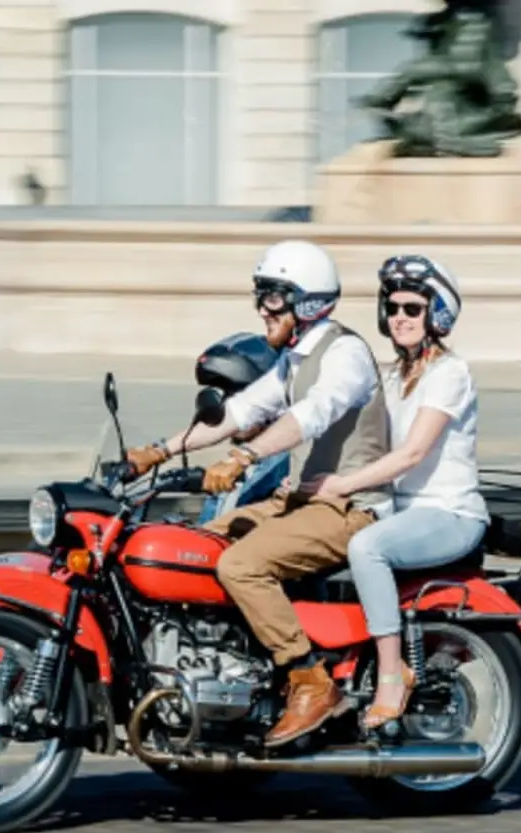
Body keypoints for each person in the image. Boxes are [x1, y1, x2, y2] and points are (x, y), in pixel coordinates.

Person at [124, 239, 393, 748]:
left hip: (350, 506)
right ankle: (229, 674)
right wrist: (156, 451)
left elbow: (309, 415)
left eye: (272, 297)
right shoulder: (293, 360)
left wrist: (243, 458)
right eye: (260, 296)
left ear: (306, 302)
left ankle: (308, 680)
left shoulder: (346, 354)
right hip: (300, 502)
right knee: (195, 547)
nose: (260, 309)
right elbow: (240, 412)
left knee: (240, 565)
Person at [301, 254, 489, 732]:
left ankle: (391, 674)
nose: (399, 317)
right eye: (393, 307)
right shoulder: (388, 375)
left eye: (412, 307)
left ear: (437, 314)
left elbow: (411, 453)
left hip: (448, 514)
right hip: (398, 510)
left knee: (368, 547)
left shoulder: (450, 374)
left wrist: (341, 485)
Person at [192, 331, 290, 525]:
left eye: (239, 398)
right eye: (224, 396)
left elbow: (212, 532)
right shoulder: (248, 463)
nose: (229, 409)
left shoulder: (278, 463)